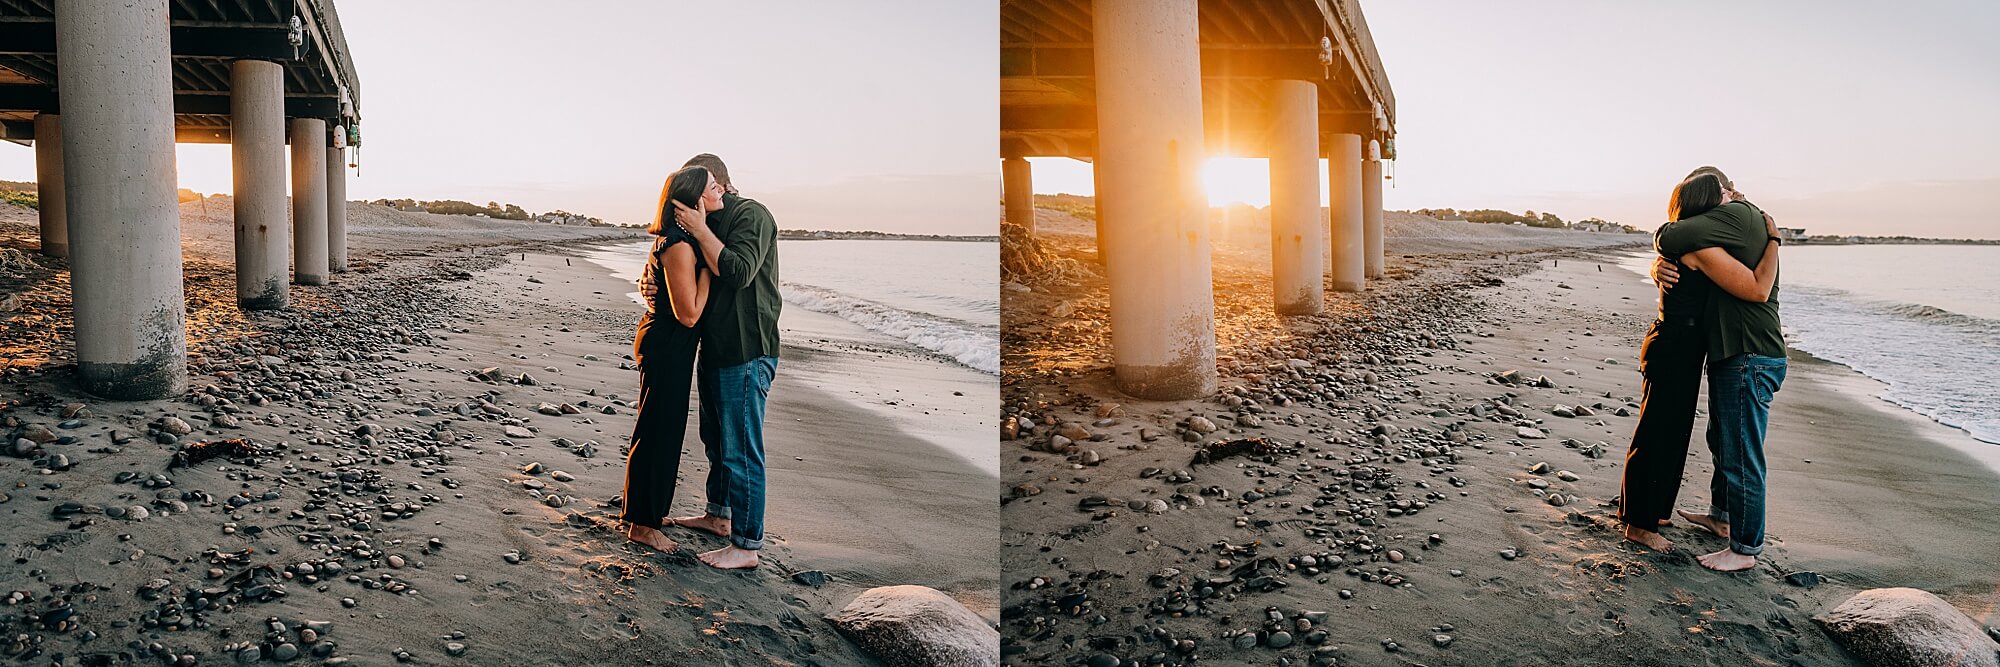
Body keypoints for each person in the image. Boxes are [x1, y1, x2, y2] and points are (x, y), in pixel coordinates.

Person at [1619, 167, 1781, 551]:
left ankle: (1654, 512)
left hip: (1685, 346)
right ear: (1709, 202)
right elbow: (1756, 289)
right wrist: (1774, 239)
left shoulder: (1699, 242)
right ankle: (1639, 525)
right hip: (1674, 344)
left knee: (1672, 434)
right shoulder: (1699, 247)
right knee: (1659, 433)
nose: (1732, 196)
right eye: (1724, 193)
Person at [640, 153, 782, 570]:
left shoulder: (751, 215)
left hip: (748, 347)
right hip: (714, 346)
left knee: (741, 448)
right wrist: (649, 275)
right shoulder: (703, 223)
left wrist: (701, 229)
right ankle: (719, 516)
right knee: (717, 440)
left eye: (712, 188)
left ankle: (747, 544)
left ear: (719, 183)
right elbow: (675, 258)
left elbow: (737, 272)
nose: (712, 196)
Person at [620, 165, 720, 553]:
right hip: (666, 343)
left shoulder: (682, 240)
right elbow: (689, 313)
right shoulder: (678, 245)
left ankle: (646, 511)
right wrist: (714, 272)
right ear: (695, 197)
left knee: (663, 429)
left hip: (672, 345)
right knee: (658, 432)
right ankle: (642, 525)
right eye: (713, 187)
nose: (720, 192)